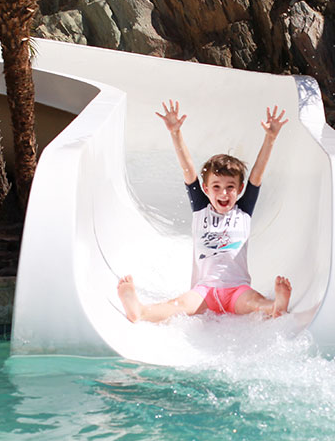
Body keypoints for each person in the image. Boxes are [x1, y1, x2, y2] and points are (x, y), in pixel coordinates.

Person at [117, 100, 292, 323]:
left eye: (230, 187)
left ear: (239, 189)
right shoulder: (201, 209)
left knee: (254, 301)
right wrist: (175, 133)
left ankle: (275, 306)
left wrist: (270, 138)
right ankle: (140, 311)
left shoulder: (243, 211)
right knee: (178, 305)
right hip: (205, 292)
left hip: (236, 290)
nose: (224, 193)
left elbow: (257, 174)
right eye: (216, 187)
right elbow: (188, 169)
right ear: (206, 189)